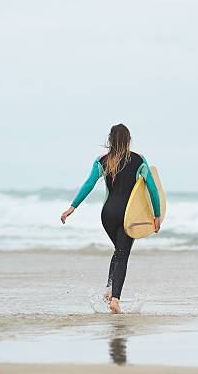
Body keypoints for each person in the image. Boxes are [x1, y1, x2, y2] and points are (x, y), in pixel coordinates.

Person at [60, 123, 161, 313]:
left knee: (118, 251)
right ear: (129, 140)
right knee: (123, 255)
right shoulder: (139, 160)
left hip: (107, 214)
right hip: (127, 215)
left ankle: (108, 288)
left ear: (110, 140)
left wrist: (72, 207)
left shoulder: (102, 160)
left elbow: (89, 183)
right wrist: (157, 214)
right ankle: (115, 299)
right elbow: (152, 189)